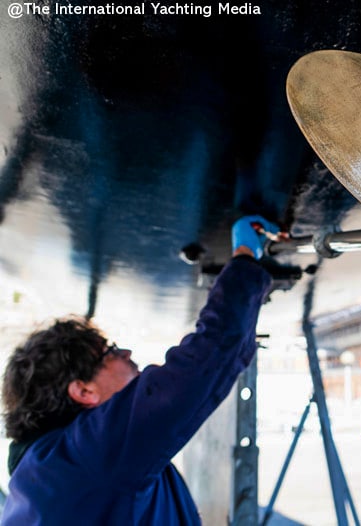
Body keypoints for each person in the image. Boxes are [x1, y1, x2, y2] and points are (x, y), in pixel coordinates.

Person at [0, 215, 277, 525]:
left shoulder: (46, 473)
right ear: (83, 391)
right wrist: (243, 258)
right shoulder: (91, 457)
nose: (127, 352)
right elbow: (202, 363)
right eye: (111, 352)